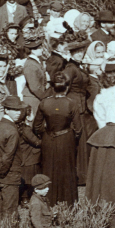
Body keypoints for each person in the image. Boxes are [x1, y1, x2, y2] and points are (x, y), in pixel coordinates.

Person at [0, 95, 37, 228]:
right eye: (14, 110)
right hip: (10, 175)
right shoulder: (12, 130)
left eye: (19, 110)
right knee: (10, 210)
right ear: (6, 110)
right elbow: (8, 157)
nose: (18, 113)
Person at [32, 74, 81, 207]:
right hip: (66, 140)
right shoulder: (71, 103)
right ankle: (68, 202)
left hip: (48, 139)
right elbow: (78, 129)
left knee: (48, 168)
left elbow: (36, 126)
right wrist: (72, 138)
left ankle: (50, 201)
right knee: (67, 170)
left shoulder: (44, 103)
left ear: (52, 87)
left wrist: (46, 133)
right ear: (67, 87)